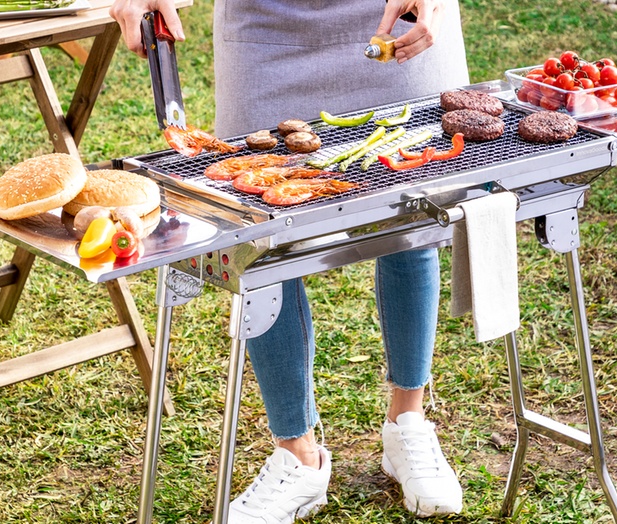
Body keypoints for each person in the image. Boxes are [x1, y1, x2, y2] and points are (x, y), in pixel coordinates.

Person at [109, 1, 471, 521]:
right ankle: (297, 456)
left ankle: (406, 424)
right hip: (265, 24)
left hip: (391, 20)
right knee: (259, 235)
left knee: (410, 212)